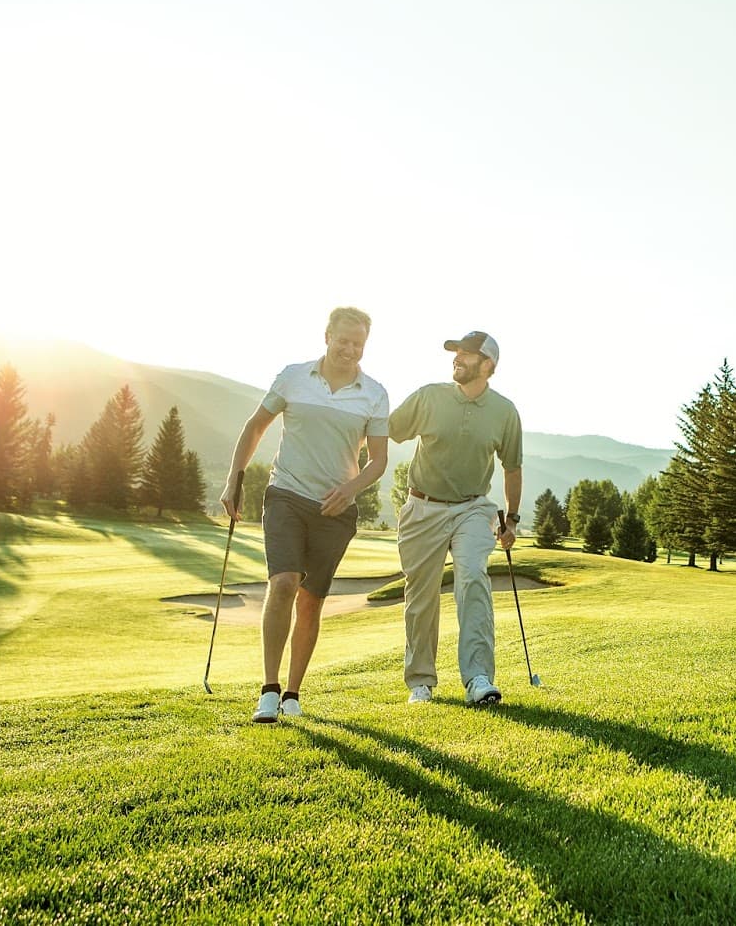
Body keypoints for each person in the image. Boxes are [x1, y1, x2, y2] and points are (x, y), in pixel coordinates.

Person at [220, 307, 389, 723]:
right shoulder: (293, 377)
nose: (350, 350)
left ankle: (293, 694)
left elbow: (379, 460)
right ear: (327, 336)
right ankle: (269, 690)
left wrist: (350, 490)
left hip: (336, 510)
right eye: (343, 340)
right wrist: (233, 480)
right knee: (283, 584)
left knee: (311, 601)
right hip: (286, 495)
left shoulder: (374, 393)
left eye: (358, 344)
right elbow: (255, 426)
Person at [390, 330, 523, 706]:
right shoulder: (429, 397)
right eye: (457, 352)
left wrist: (512, 520)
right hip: (422, 507)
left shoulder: (504, 411)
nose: (457, 358)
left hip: (472, 508)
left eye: (467, 354)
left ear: (488, 364)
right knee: (421, 595)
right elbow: (386, 430)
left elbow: (512, 467)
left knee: (473, 578)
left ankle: (478, 677)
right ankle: (421, 682)